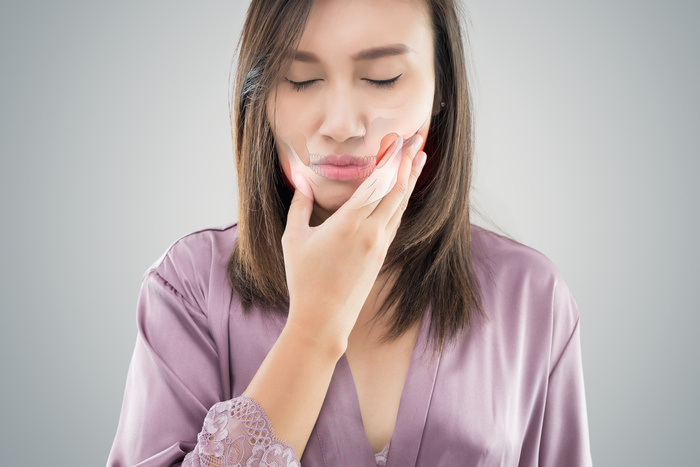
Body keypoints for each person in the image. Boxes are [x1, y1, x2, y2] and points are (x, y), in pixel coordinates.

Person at [107, 0, 593, 465]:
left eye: (383, 79)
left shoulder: (533, 296)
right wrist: (312, 331)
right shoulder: (188, 287)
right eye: (300, 80)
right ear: (261, 97)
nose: (340, 125)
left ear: (441, 90)